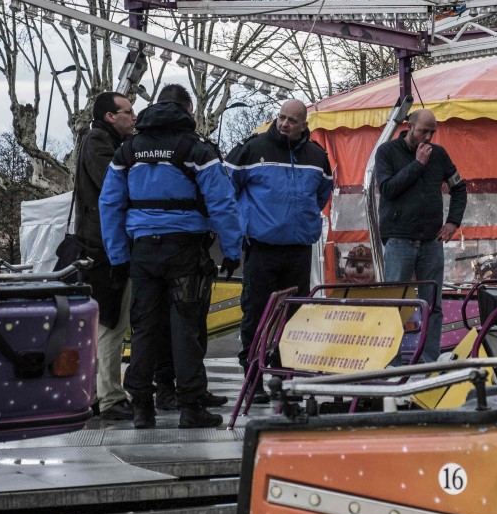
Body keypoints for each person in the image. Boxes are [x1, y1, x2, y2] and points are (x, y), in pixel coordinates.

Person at [100, 84, 243, 429]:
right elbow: (222, 203)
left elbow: (110, 204)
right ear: (187, 109)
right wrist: (232, 250)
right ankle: (191, 407)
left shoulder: (128, 150)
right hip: (185, 250)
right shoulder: (196, 149)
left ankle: (142, 408)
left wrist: (118, 257)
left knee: (144, 329)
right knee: (186, 328)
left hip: (142, 252)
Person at [225, 99, 333, 401]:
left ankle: (286, 376)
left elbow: (322, 194)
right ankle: (253, 379)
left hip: (298, 249)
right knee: (256, 313)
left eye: (292, 120)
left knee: (294, 315)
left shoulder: (317, 156)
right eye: (281, 117)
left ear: (304, 125)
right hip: (261, 247)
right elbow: (226, 188)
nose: (284, 124)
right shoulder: (252, 149)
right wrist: (240, 226)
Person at [374, 108, 467, 363]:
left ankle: (429, 361)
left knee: (432, 305)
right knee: (395, 304)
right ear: (409, 126)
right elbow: (388, 189)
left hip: (431, 240)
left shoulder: (440, 154)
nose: (428, 137)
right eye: (423, 131)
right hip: (399, 239)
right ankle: (391, 363)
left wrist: (453, 221)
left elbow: (459, 187)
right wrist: (417, 165)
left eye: (432, 132)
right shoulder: (386, 152)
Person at [70, 91, 137, 421]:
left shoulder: (98, 140)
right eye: (128, 111)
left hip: (98, 246)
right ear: (111, 116)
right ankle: (110, 397)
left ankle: (97, 393)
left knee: (105, 323)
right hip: (104, 248)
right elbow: (114, 186)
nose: (134, 117)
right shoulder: (100, 143)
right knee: (111, 323)